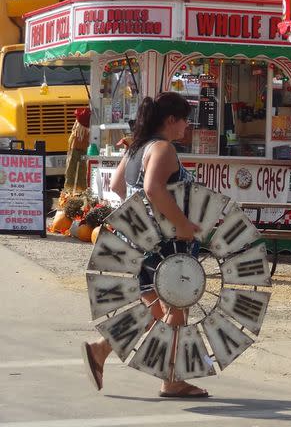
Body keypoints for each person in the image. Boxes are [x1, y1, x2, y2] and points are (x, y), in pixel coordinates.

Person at [81, 92, 208, 398]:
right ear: (171, 120)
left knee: (154, 308)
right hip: (164, 243)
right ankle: (172, 379)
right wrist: (180, 223)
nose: (186, 128)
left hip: (140, 240)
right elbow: (152, 189)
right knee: (176, 306)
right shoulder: (163, 148)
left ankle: (100, 350)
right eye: (184, 121)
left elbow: (117, 186)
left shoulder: (138, 146)